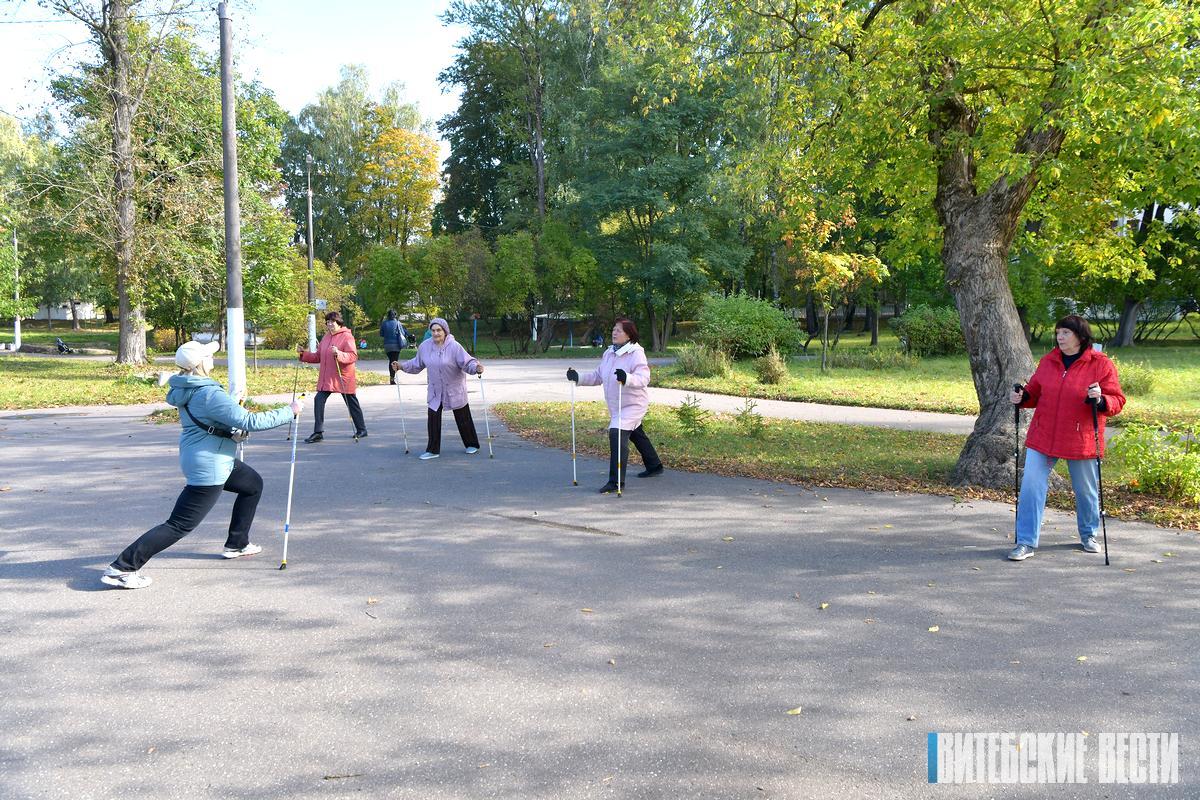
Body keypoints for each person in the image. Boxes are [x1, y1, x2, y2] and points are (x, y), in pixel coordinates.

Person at [100, 341, 304, 589]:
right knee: (179, 524)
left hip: (208, 456)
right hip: (211, 465)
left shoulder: (187, 387)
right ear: (201, 363)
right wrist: (289, 410)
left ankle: (237, 543)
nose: (212, 359)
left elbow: (210, 421)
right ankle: (122, 568)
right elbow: (251, 420)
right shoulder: (209, 393)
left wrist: (230, 432)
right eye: (209, 356)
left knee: (252, 484)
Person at [1007, 315, 1125, 561]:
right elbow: (1035, 393)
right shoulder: (1049, 361)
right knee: (1031, 488)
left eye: (1065, 333)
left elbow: (1117, 400)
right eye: (1058, 333)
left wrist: (1101, 400)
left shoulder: (1100, 364)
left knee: (1086, 491)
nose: (1060, 337)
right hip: (1044, 435)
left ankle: (1088, 534)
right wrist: (1022, 397)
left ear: (1080, 336)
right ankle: (1026, 542)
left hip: (1079, 437)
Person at [568, 318, 664, 493]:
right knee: (635, 432)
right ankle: (654, 465)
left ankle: (616, 482)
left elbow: (644, 378)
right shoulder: (609, 353)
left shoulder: (636, 353)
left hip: (634, 404)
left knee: (616, 433)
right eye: (613, 329)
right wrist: (578, 377)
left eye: (619, 330)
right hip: (617, 405)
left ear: (628, 335)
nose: (614, 332)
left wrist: (627, 378)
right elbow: (598, 375)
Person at [392, 317, 484, 460]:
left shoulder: (454, 346)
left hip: (454, 389)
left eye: (439, 330)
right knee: (433, 419)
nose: (436, 333)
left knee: (463, 417)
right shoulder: (425, 347)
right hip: (435, 390)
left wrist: (476, 368)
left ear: (445, 331)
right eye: (433, 330)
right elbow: (417, 364)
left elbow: (467, 362)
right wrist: (402, 366)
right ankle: (433, 450)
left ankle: (472, 444)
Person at [298, 311, 367, 442]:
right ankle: (318, 432)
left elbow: (353, 356)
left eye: (332, 322)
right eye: (327, 322)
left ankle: (362, 429)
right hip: (328, 377)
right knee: (318, 400)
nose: (329, 324)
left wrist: (339, 354)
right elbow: (318, 356)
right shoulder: (326, 337)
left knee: (351, 402)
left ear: (339, 322)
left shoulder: (347, 337)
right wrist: (303, 354)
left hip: (343, 376)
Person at [379, 309, 407, 384]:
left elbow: (381, 334)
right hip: (396, 346)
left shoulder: (384, 323)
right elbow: (403, 333)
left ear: (388, 315)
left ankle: (392, 378)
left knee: (391, 361)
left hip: (387, 346)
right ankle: (392, 379)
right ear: (395, 315)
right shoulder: (398, 323)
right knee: (394, 362)